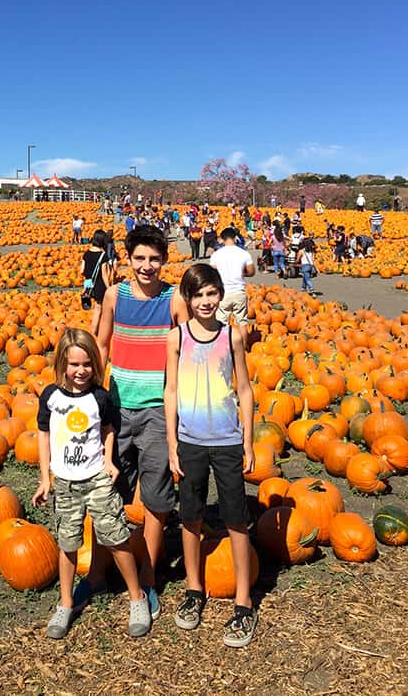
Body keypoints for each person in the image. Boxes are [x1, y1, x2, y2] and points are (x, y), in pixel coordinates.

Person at [84, 226, 188, 618]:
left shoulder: (173, 299)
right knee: (108, 489)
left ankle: (147, 574)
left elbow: (187, 345)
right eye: (139, 258)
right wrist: (94, 396)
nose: (147, 266)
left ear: (164, 261)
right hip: (117, 410)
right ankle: (98, 570)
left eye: (154, 259)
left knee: (158, 496)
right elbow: (104, 345)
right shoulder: (115, 296)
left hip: (158, 412)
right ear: (128, 260)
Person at [32, 328, 150, 639]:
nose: (81, 371)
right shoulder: (51, 397)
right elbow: (43, 436)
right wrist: (46, 478)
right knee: (68, 543)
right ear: (62, 364)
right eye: (74, 365)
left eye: (86, 364)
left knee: (115, 538)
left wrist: (109, 461)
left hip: (97, 477)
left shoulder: (99, 396)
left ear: (94, 364)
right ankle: (66, 603)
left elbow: (109, 429)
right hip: (66, 483)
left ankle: (136, 597)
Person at [164, 263, 256, 646]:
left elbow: (246, 390)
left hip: (227, 440)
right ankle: (193, 589)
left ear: (220, 295)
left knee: (236, 519)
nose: (206, 301)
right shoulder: (177, 338)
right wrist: (171, 442)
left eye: (212, 293)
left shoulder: (233, 336)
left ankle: (244, 602)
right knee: (191, 516)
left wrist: (248, 441)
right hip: (190, 440)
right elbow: (170, 392)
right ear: (187, 298)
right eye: (198, 294)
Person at [209, 227, 255, 349]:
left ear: (222, 239)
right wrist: (241, 273)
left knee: (221, 323)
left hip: (223, 293)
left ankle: (222, 350)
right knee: (242, 323)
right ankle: (243, 350)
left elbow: (212, 273)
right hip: (239, 291)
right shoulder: (244, 253)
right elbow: (251, 272)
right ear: (235, 238)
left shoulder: (216, 255)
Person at [81, 230, 111, 336]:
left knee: (94, 308)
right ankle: (93, 333)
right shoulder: (103, 256)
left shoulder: (86, 253)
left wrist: (88, 278)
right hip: (99, 286)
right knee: (99, 310)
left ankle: (96, 330)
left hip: (88, 284)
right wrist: (109, 288)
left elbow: (82, 271)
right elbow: (104, 275)